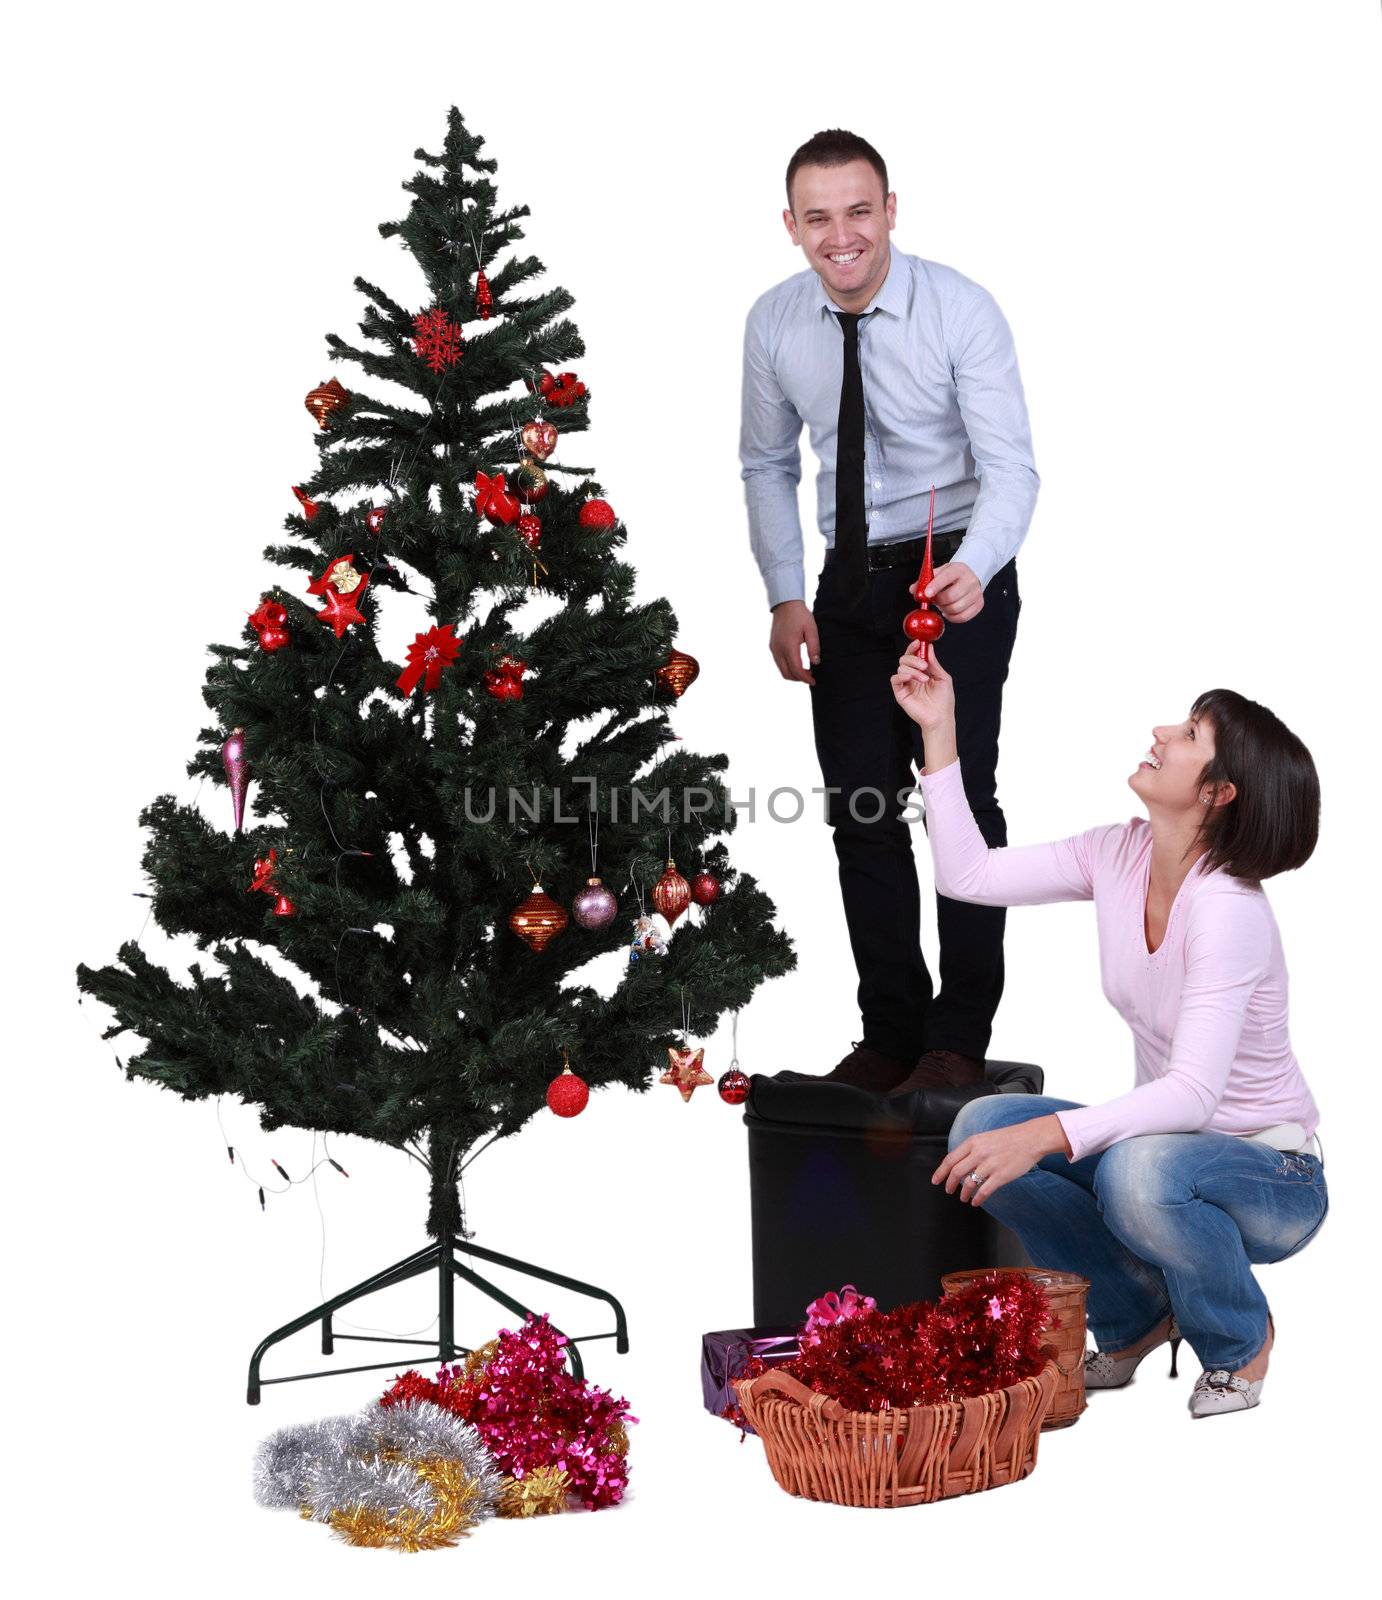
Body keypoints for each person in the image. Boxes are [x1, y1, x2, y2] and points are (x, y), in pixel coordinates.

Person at [890, 639, 1326, 1418]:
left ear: (1221, 792)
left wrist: (1052, 1134)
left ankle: (1239, 1339)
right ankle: (1134, 1320)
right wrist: (939, 729)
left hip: (1272, 1175)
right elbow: (970, 877)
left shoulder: (1228, 912)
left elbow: (1192, 1095)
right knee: (981, 1127)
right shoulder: (1116, 853)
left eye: (1190, 734)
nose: (1162, 733)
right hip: (1160, 1155)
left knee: (1133, 1172)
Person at [740, 128, 1039, 1095]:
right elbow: (767, 462)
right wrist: (787, 593)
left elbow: (1012, 470)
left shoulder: (961, 310)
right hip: (846, 580)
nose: (842, 235)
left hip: (955, 567)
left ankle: (957, 1039)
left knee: (961, 804)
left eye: (858, 211)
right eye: (818, 216)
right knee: (861, 811)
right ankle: (891, 1031)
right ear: (791, 225)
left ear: (891, 210)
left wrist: (978, 569)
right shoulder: (775, 322)